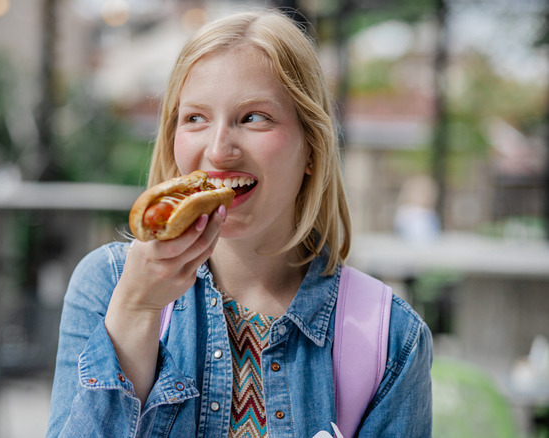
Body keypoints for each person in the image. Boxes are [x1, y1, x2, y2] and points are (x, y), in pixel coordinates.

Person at [47, 9, 432, 437]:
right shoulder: (107, 286)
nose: (218, 150)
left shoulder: (392, 339)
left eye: (253, 117)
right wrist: (137, 310)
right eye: (195, 118)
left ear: (311, 148)